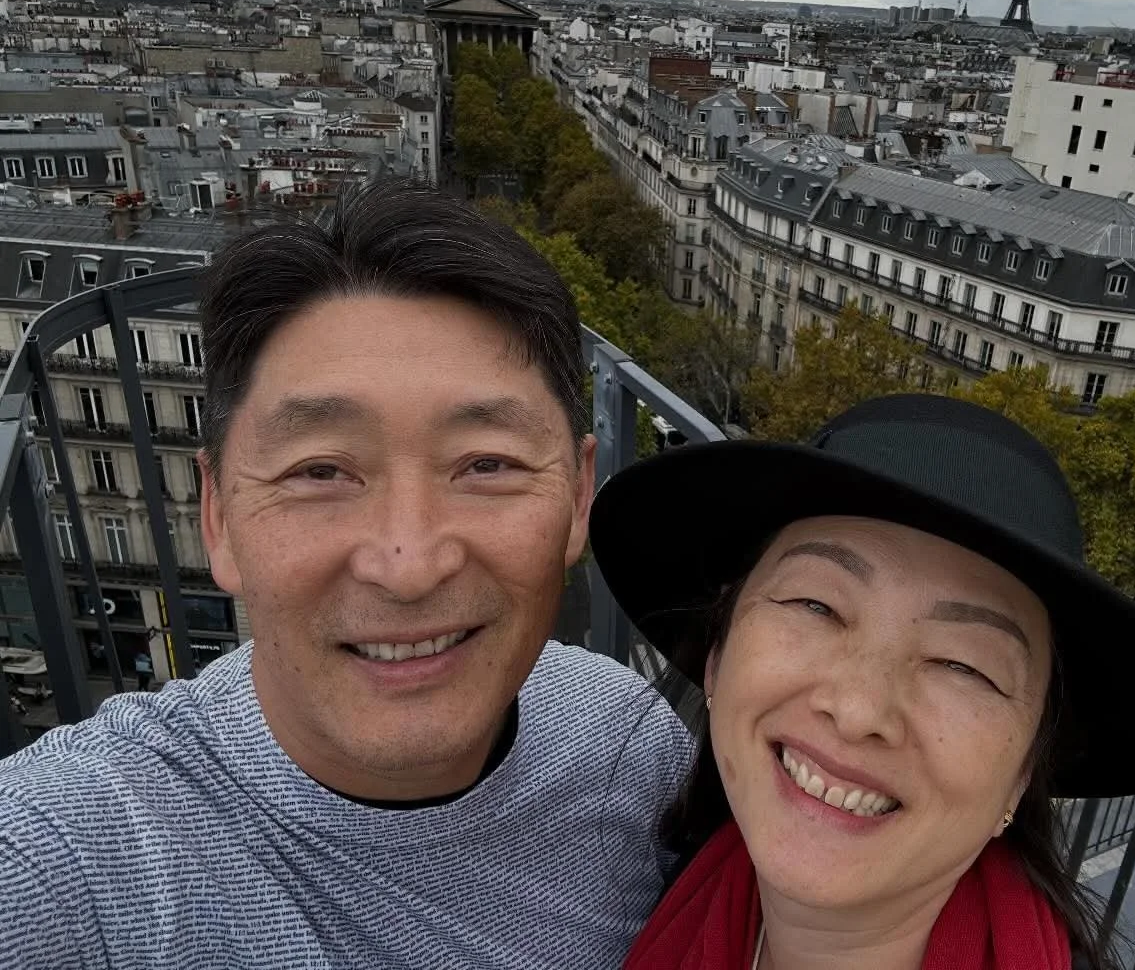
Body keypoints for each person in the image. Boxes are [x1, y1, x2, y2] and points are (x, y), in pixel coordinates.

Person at [0, 178, 690, 968]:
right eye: (320, 471)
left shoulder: (629, 737)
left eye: (486, 464)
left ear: (576, 498)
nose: (408, 566)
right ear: (219, 517)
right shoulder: (70, 857)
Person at [589, 394, 1135, 970]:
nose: (858, 709)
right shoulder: (645, 888)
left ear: (1023, 775)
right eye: (816, 605)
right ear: (717, 656)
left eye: (964, 665)